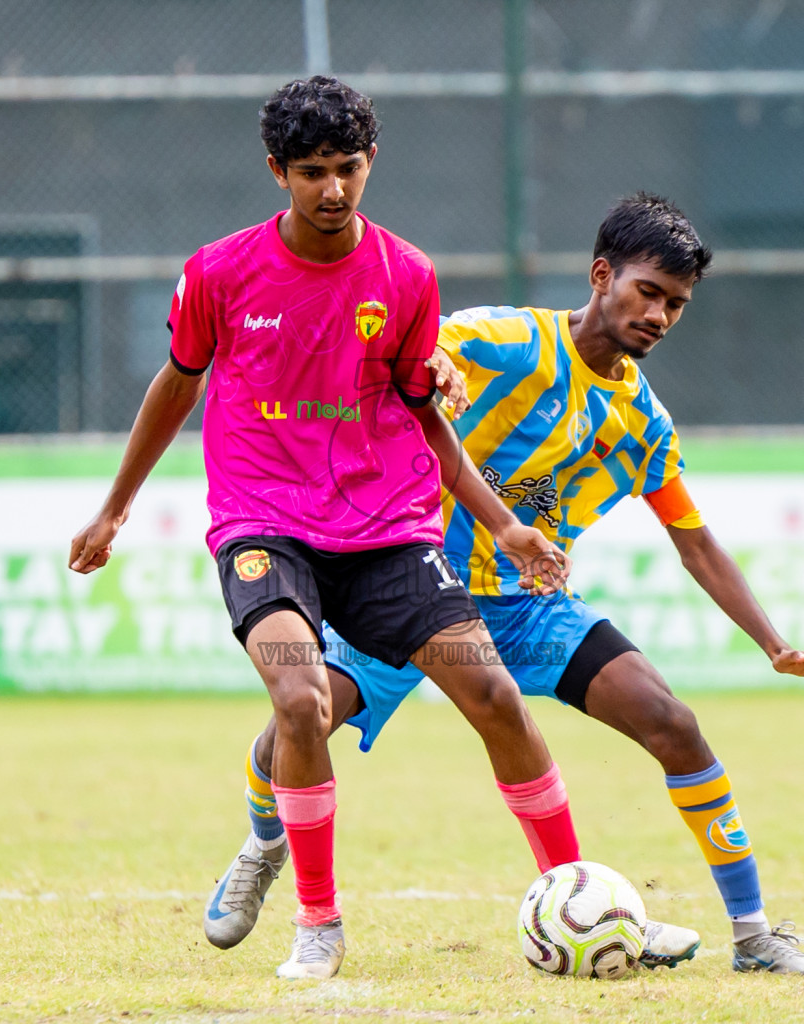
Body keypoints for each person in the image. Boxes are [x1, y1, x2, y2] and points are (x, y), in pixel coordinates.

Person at [209, 192, 804, 975]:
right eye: (648, 292)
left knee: (671, 722)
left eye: (676, 304)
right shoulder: (505, 339)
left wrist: (774, 645)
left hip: (525, 610)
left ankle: (751, 936)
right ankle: (265, 842)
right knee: (291, 730)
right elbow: (405, 350)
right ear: (602, 275)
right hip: (405, 585)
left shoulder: (643, 423)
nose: (661, 316)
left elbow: (696, 543)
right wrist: (433, 364)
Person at [70, 75, 604, 982]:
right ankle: (318, 925)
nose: (332, 190)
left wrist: (505, 525)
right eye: (311, 171)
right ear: (276, 170)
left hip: (388, 530)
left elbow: (426, 413)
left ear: (371, 162)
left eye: (348, 169)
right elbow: (177, 384)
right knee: (298, 698)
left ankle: (579, 900)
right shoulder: (220, 272)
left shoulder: (407, 276)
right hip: (263, 524)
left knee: (497, 698)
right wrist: (115, 504)